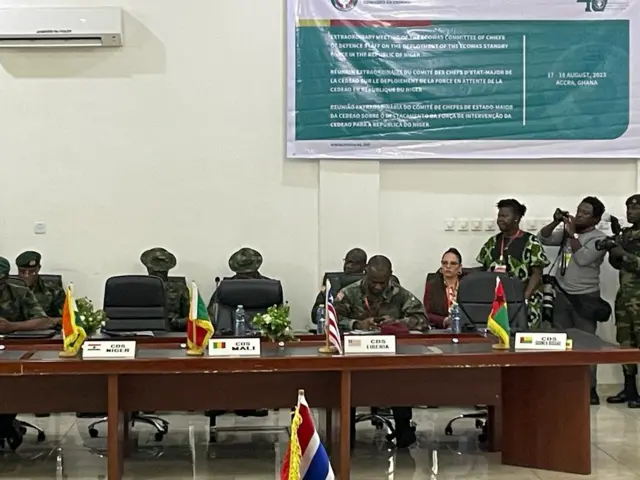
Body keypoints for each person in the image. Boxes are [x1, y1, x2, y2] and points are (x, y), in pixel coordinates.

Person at [334, 255, 427, 448]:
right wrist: (356, 323)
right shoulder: (349, 293)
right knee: (347, 385)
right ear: (366, 274)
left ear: (390, 276)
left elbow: (421, 319)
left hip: (390, 357)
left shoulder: (399, 294)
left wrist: (398, 323)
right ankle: (346, 434)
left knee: (400, 382)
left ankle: (403, 429)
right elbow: (332, 320)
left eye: (382, 283)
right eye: (373, 282)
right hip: (355, 357)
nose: (377, 287)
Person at [538, 197, 608, 405]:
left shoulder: (599, 238)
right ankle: (563, 386)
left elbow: (584, 258)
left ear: (595, 219)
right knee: (561, 343)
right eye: (579, 211)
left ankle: (590, 390)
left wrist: (572, 235)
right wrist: (555, 222)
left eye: (585, 213)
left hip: (586, 297)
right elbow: (543, 238)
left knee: (587, 345)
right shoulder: (567, 234)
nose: (579, 215)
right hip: (562, 295)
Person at [0, 256, 54, 450]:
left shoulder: (19, 292)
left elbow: (44, 321)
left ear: (5, 279)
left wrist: (12, 326)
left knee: (8, 385)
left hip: (13, 351)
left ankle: (5, 422)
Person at [477, 199, 549, 328]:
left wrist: (524, 299)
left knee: (523, 341)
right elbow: (484, 269)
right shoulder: (493, 242)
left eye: (505, 216)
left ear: (516, 218)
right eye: (499, 216)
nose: (500, 219)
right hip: (499, 301)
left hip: (525, 301)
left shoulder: (531, 242)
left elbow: (537, 274)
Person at [603, 194, 640, 408]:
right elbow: (618, 265)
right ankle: (629, 389)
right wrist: (614, 250)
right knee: (626, 343)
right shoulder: (626, 234)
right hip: (625, 297)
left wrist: (622, 253)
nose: (630, 212)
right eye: (628, 209)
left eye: (635, 209)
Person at [207, 247, 269, 319]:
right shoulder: (225, 288)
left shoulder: (271, 288)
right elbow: (211, 315)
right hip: (229, 328)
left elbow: (279, 315)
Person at [310, 247, 367, 324]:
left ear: (365, 266)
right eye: (347, 261)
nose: (348, 266)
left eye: (354, 263)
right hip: (336, 330)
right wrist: (332, 309)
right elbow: (315, 315)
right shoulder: (332, 283)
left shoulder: (370, 284)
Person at [140, 247, 189, 331]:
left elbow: (190, 318)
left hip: (173, 332)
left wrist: (177, 322)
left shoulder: (180, 289)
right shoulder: (139, 288)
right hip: (145, 332)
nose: (158, 271)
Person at [15, 250, 65, 319]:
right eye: (22, 272)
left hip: (45, 328)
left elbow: (65, 319)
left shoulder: (54, 291)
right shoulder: (8, 288)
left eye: (32, 272)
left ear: (38, 269)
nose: (27, 275)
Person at [424, 248, 464, 328]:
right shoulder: (432, 285)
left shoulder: (466, 285)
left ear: (460, 267)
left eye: (453, 263)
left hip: (464, 328)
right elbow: (426, 314)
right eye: (445, 263)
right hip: (440, 329)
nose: (448, 266)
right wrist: (444, 320)